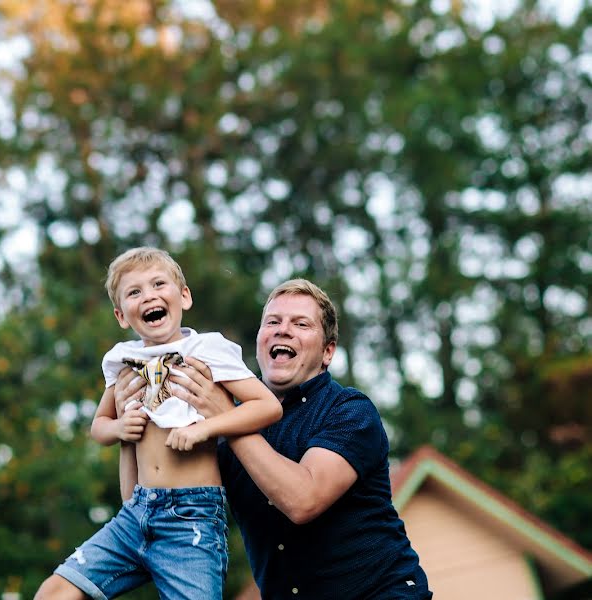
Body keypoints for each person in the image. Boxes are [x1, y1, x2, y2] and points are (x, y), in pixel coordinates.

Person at [114, 278, 433, 599]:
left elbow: (303, 500)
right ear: (260, 341)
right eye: (273, 322)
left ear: (328, 352)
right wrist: (130, 427)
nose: (283, 330)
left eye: (301, 324)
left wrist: (226, 418)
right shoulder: (213, 425)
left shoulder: (349, 411)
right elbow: (142, 508)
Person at [34, 247, 282, 600]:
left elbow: (267, 406)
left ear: (184, 296)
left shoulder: (207, 349)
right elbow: (99, 426)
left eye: (158, 284)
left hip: (191, 519)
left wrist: (205, 428)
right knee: (53, 592)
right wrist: (121, 429)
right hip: (136, 513)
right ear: (122, 315)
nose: (148, 295)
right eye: (134, 292)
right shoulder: (124, 360)